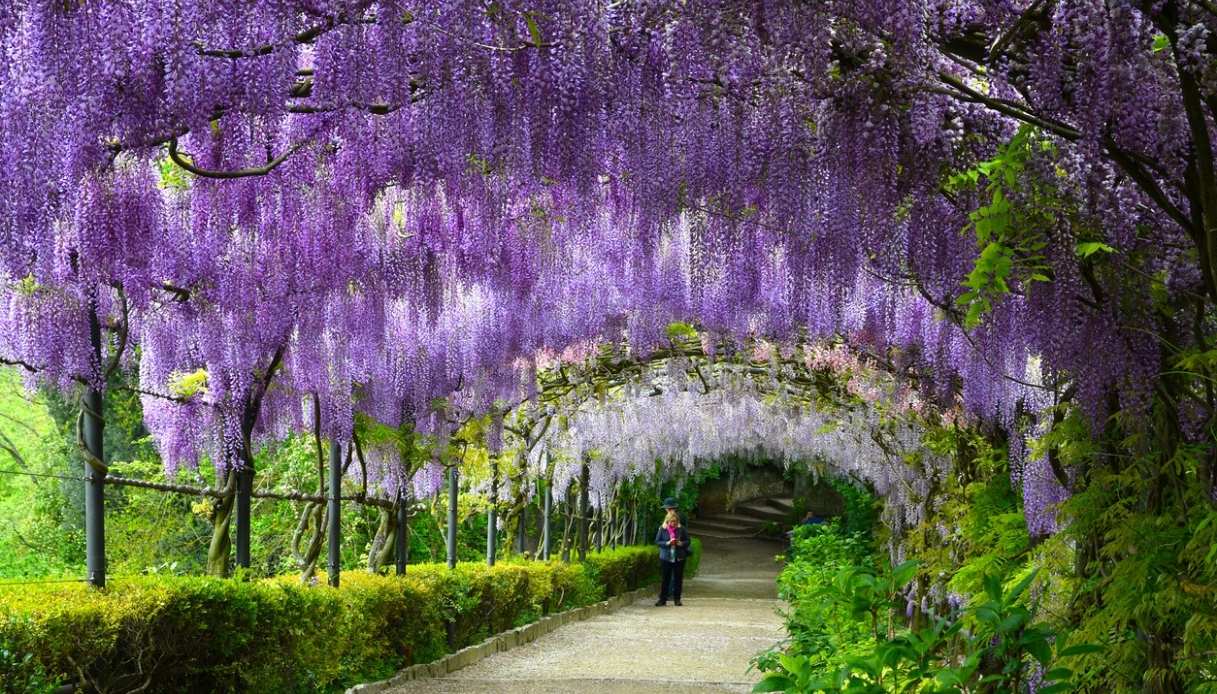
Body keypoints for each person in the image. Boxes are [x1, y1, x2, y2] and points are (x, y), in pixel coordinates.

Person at [655, 508, 690, 606]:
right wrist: (667, 543)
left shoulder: (681, 529)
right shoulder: (662, 529)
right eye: (671, 521)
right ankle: (662, 599)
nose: (673, 523)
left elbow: (688, 541)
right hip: (666, 557)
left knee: (678, 579)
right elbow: (657, 541)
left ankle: (677, 599)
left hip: (679, 557)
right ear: (667, 521)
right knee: (665, 579)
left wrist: (681, 543)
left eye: (675, 521)